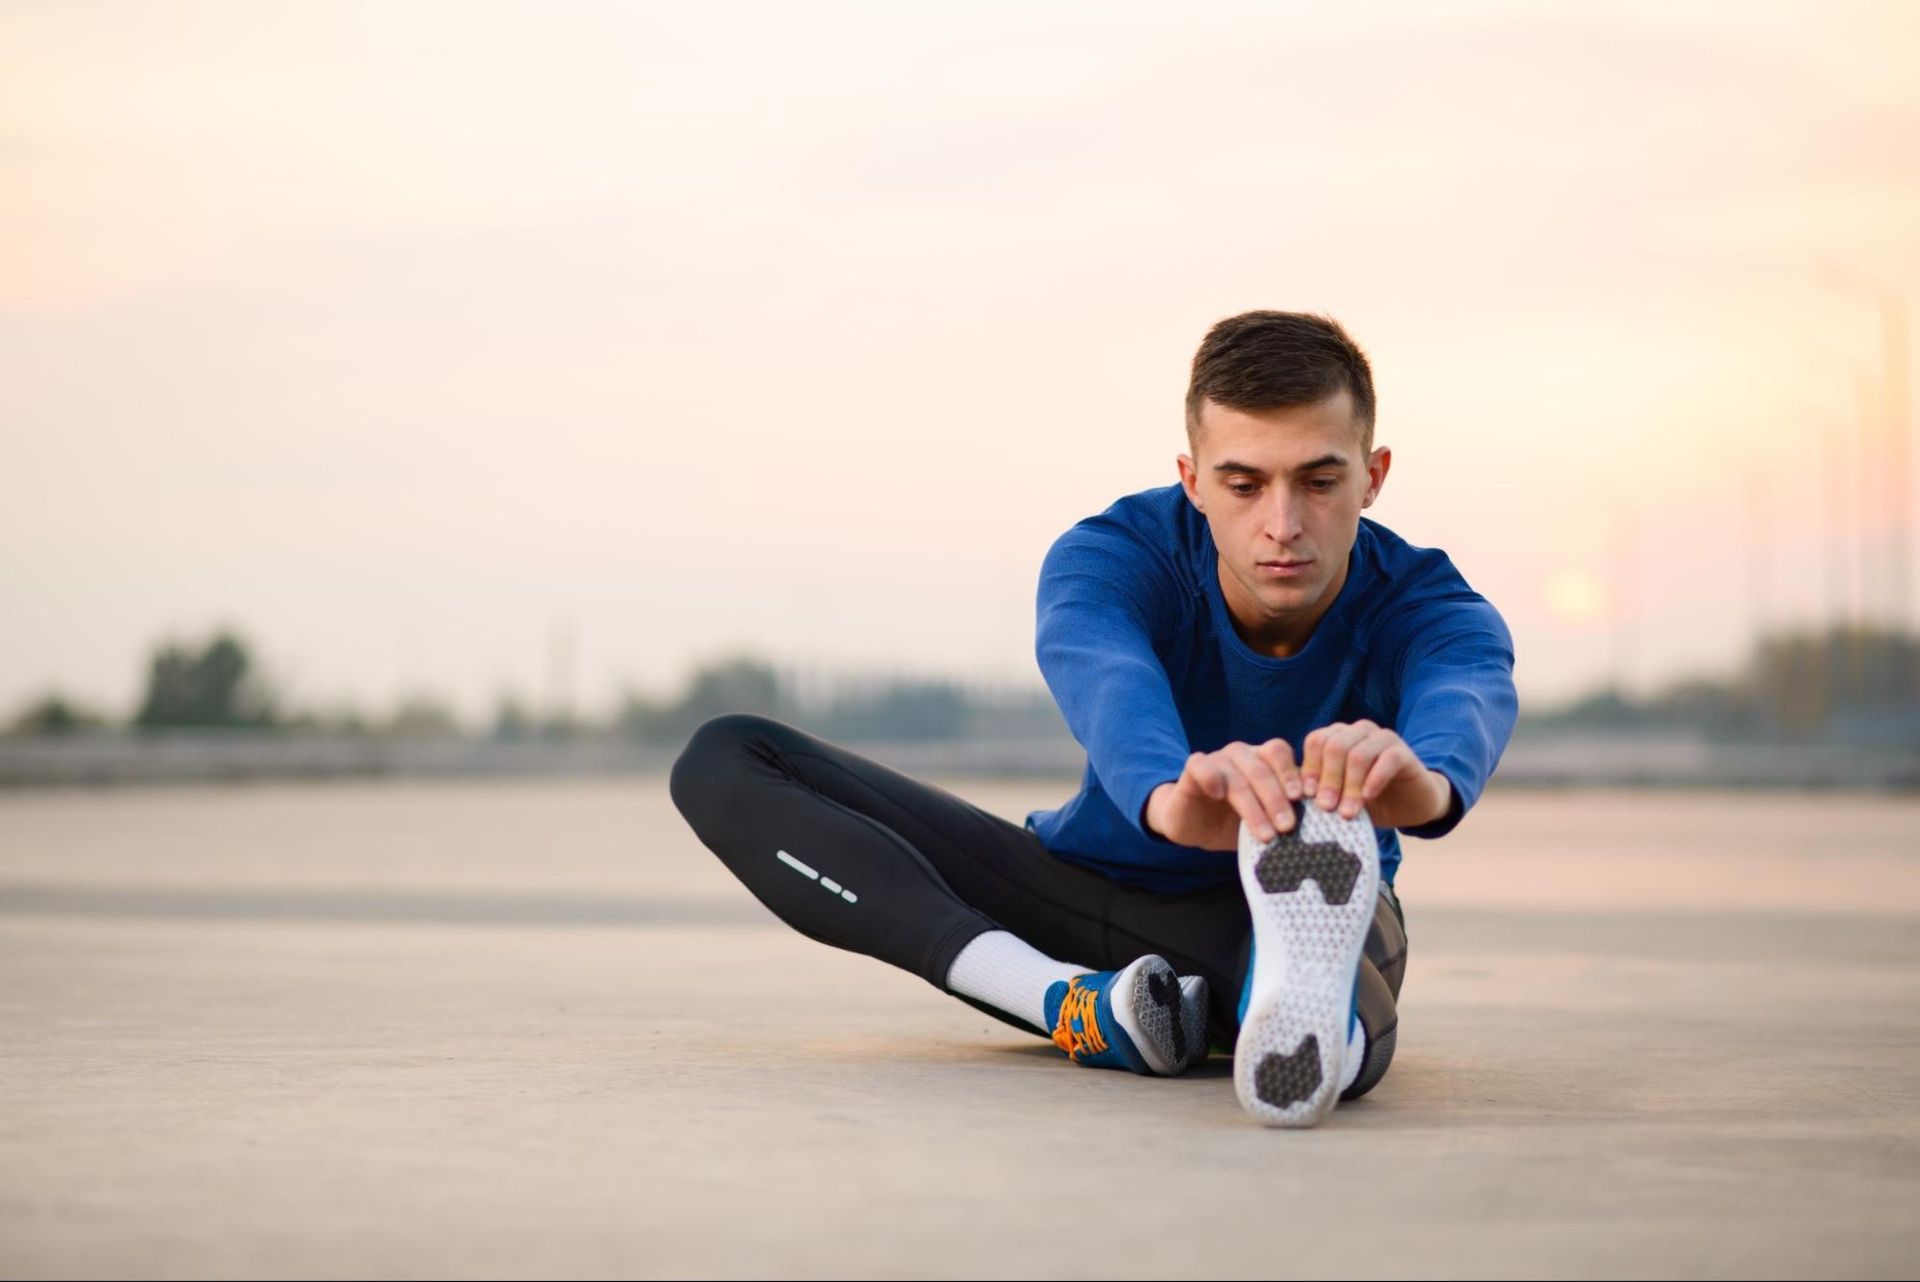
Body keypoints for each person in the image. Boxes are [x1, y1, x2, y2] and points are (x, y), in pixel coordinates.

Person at [670, 310, 1517, 1127]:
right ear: (1192, 482)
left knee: (1334, 1018)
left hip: (1279, 918)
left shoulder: (1427, 603)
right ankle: (1069, 1004)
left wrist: (1423, 785)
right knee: (725, 759)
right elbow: (1107, 677)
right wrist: (1167, 795)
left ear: (1375, 475)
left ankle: (1300, 1015)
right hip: (1072, 890)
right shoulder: (1114, 555)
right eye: (1244, 483)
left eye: (1321, 481)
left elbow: (1465, 686)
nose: (1283, 524)